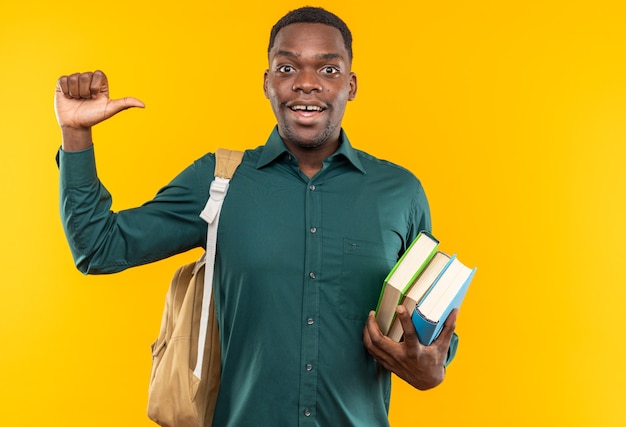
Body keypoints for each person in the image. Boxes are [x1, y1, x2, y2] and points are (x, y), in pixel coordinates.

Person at [55, 6, 459, 426]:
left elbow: (431, 334)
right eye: (287, 67)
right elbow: (97, 248)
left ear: (351, 85)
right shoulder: (218, 182)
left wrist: (433, 368)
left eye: (328, 69)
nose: (306, 83)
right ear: (267, 83)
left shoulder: (400, 193)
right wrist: (75, 134)